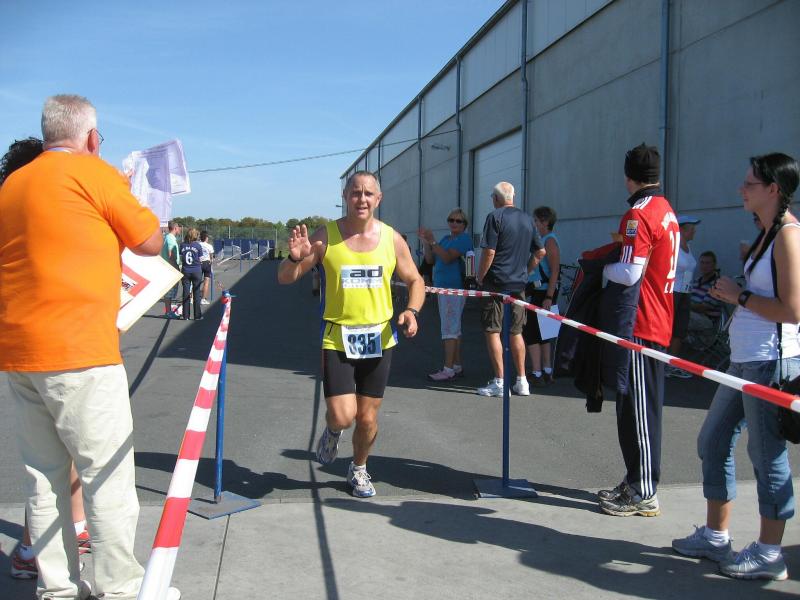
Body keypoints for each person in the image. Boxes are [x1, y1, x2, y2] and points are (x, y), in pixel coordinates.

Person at [0, 95, 180, 599]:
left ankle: (58, 587)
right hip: (81, 350)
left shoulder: (13, 185)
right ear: (92, 138)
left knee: (44, 478)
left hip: (20, 352)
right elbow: (149, 242)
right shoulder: (94, 173)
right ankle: (120, 587)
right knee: (107, 476)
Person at [672, 152, 800, 580]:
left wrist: (739, 296)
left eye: (749, 184)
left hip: (769, 362)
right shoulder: (766, 233)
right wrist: (741, 293)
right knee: (712, 440)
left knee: (766, 455)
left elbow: (793, 309)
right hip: (744, 359)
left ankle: (770, 553)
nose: (741, 189)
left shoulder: (788, 235)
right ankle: (716, 535)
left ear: (773, 190)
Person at [277, 170, 424, 498]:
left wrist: (412, 311)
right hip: (338, 338)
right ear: (345, 197)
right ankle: (333, 430)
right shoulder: (326, 236)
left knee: (367, 418)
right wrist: (294, 257)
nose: (362, 199)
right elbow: (285, 277)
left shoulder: (391, 239)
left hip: (379, 339)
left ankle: (359, 469)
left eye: (368, 193)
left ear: (378, 199)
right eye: (355, 192)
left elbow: (416, 279)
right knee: (344, 416)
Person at [0, 137, 93, 580]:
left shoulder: (14, 209)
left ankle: (69, 527)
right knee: (52, 460)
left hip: (30, 349)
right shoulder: (37, 214)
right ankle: (33, 547)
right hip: (53, 348)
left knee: (56, 454)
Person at [597, 143, 679, 517]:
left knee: (639, 412)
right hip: (655, 318)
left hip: (642, 323)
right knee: (633, 408)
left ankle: (644, 490)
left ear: (628, 176)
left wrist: (599, 267)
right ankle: (635, 480)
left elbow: (630, 272)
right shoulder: (666, 210)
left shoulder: (638, 213)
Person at [475, 182, 545, 397]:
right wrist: (525, 270)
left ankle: (499, 381)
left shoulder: (494, 217)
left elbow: (489, 252)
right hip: (518, 285)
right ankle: (522, 380)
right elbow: (540, 252)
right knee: (516, 331)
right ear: (512, 197)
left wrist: (479, 276)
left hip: (495, 283)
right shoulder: (527, 219)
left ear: (496, 198)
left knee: (492, 330)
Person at [418, 208, 473, 381]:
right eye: (451, 220)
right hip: (443, 289)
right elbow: (430, 260)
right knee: (453, 329)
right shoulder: (446, 239)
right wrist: (426, 243)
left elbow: (448, 257)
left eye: (458, 221)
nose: (454, 223)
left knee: (449, 329)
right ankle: (456, 366)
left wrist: (433, 242)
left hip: (454, 289)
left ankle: (448, 369)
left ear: (464, 224)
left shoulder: (464, 239)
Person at [523, 206, 561, 387]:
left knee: (533, 332)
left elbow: (555, 271)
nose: (534, 224)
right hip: (541, 291)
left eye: (536, 221)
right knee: (545, 334)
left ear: (545, 222)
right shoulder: (543, 239)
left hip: (543, 292)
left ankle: (538, 372)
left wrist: (549, 296)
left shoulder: (549, 241)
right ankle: (546, 371)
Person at [665, 215, 700, 378]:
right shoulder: (672, 247)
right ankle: (659, 364)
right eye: (691, 229)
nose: (694, 232)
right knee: (668, 330)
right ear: (682, 230)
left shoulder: (688, 247)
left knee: (680, 330)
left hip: (685, 293)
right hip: (673, 293)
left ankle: (671, 365)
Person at [686, 250, 724, 346]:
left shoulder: (717, 284)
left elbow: (703, 308)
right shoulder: (696, 280)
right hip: (692, 316)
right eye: (702, 263)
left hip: (707, 323)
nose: (704, 266)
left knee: (680, 316)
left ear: (714, 265)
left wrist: (684, 305)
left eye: (707, 263)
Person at [179, 228, 204, 320]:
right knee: (196, 293)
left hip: (186, 270)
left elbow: (181, 258)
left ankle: (186, 315)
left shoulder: (182, 245)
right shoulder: (198, 245)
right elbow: (201, 259)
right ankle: (197, 315)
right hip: (196, 271)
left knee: (185, 293)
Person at [161, 220, 182, 318]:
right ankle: (168, 312)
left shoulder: (168, 237)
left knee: (170, 291)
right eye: (179, 228)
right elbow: (170, 253)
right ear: (175, 228)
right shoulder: (170, 238)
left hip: (169, 267)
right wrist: (176, 267)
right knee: (169, 291)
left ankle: (168, 311)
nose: (180, 230)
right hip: (171, 268)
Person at [199, 230, 214, 305]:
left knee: (196, 282)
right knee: (206, 282)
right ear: (206, 238)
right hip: (207, 264)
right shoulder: (209, 246)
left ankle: (192, 297)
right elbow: (211, 257)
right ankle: (203, 299)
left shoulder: (197, 244)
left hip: (199, 263)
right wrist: (211, 261)